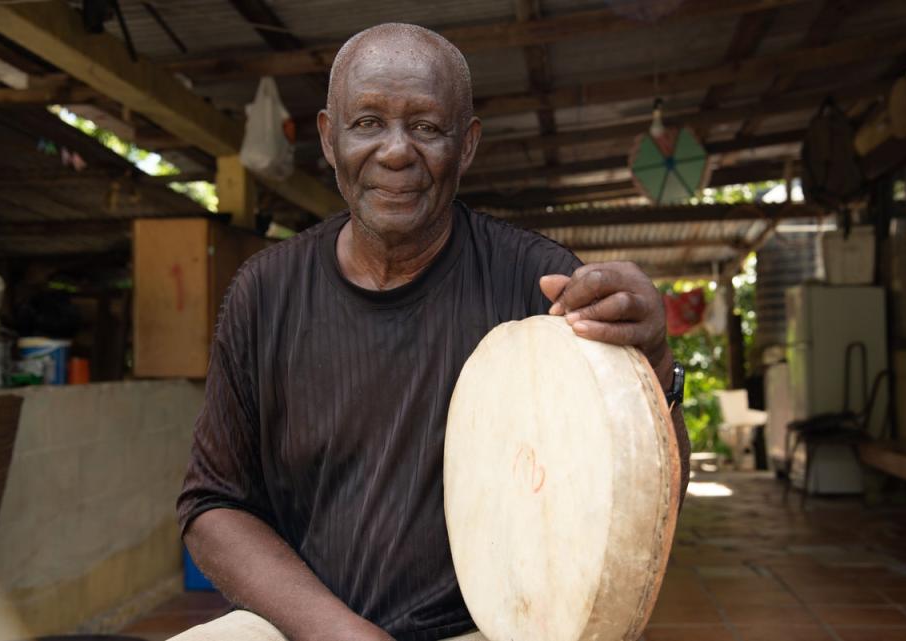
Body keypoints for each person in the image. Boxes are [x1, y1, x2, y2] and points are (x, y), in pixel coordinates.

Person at [174, 22, 689, 641]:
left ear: (466, 145)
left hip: (486, 631)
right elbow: (211, 507)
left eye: (425, 127)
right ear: (328, 138)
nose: (396, 151)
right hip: (306, 626)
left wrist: (654, 362)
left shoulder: (539, 284)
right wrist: (336, 631)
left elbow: (642, 498)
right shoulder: (265, 293)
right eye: (367, 123)